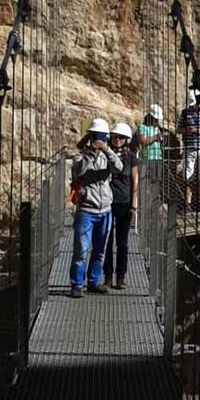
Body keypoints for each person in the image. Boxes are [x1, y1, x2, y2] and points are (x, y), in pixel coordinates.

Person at [70, 118, 123, 298]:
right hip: (86, 209)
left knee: (100, 250)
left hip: (105, 210)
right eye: (97, 137)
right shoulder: (80, 156)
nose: (100, 140)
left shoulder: (108, 155)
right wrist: (91, 152)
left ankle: (93, 281)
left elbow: (118, 167)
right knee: (81, 251)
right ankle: (76, 284)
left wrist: (106, 150)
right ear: (91, 137)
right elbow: (79, 171)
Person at [105, 123, 137, 290]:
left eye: (122, 137)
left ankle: (121, 277)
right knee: (107, 241)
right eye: (115, 136)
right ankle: (108, 276)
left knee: (122, 242)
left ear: (127, 140)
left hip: (124, 203)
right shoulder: (104, 153)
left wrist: (134, 201)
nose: (118, 140)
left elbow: (134, 180)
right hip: (106, 203)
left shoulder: (131, 156)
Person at [178, 90, 200, 210]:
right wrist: (187, 130)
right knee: (188, 176)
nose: (192, 106)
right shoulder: (184, 113)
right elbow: (178, 129)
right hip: (189, 148)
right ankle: (188, 203)